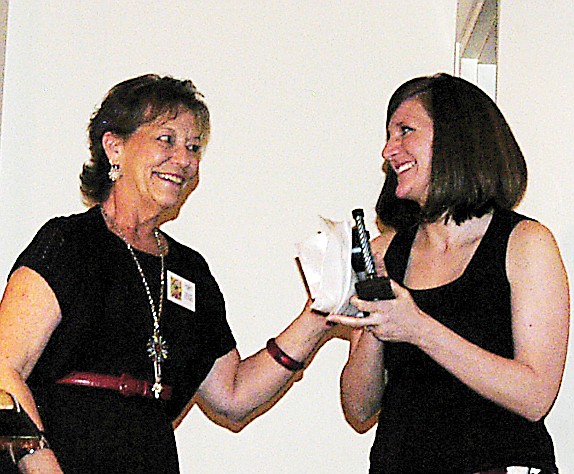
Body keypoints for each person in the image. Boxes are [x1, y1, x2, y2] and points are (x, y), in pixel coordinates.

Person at [0, 74, 332, 473]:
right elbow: (4, 371)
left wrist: (321, 312)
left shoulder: (190, 270)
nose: (184, 159)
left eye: (193, 147)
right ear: (115, 147)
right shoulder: (69, 242)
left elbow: (233, 394)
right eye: (167, 139)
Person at [327, 73, 570, 473]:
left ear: (458, 138)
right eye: (389, 135)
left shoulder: (525, 243)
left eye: (405, 131)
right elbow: (358, 408)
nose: (389, 150)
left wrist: (418, 327)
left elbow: (535, 395)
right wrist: (377, 322)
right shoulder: (387, 251)